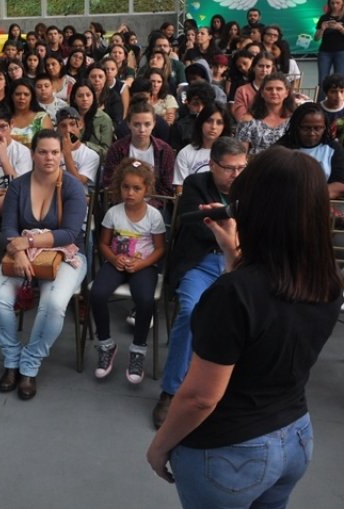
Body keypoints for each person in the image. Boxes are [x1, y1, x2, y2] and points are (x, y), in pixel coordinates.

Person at [146, 147, 342, 509]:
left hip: (230, 452)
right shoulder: (326, 280)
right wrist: (234, 256)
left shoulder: (233, 293)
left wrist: (160, 447)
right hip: (295, 436)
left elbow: (201, 397)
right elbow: (273, 314)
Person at [152, 137, 247, 429]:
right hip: (202, 262)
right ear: (212, 165)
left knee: (248, 319)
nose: (237, 175)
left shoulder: (253, 185)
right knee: (191, 312)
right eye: (230, 169)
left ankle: (231, 393)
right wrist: (230, 228)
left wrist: (220, 220)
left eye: (242, 167)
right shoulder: (196, 183)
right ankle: (171, 390)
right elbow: (194, 223)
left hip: (243, 263)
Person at [0, 129, 88, 400]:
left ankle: (29, 364)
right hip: (22, 253)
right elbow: (8, 226)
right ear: (32, 154)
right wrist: (17, 252)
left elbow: (70, 233)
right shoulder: (18, 186)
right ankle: (11, 359)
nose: (49, 157)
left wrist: (27, 242)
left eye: (55, 152)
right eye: (43, 151)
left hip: (67, 254)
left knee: (54, 305)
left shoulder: (72, 187)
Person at [90, 159, 166, 383]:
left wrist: (141, 264)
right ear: (118, 187)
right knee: (97, 293)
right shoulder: (114, 213)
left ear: (146, 190)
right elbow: (103, 244)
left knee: (144, 299)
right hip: (117, 263)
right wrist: (114, 259)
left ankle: (138, 350)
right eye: (125, 187)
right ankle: (106, 346)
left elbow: (160, 248)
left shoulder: (153, 215)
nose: (130, 193)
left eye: (136, 188)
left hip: (143, 266)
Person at [101, 102, 175, 199]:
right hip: (123, 202)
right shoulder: (116, 149)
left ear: (154, 124)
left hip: (154, 205)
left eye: (147, 124)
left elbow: (167, 188)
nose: (142, 129)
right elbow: (110, 183)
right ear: (129, 124)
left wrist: (147, 206)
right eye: (136, 124)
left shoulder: (165, 150)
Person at [275, 102, 344, 198]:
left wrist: (308, 196)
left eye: (317, 128)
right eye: (306, 128)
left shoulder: (334, 148)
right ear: (296, 127)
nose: (312, 133)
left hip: (320, 201)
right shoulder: (282, 147)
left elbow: (340, 185)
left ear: (325, 127)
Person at [173, 103, 229, 194]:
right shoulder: (185, 153)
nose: (213, 127)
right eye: (209, 121)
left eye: (219, 123)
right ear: (201, 123)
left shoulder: (230, 153)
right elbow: (180, 189)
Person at [236, 73, 294, 156]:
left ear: (286, 93)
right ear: (262, 93)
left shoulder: (294, 120)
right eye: (269, 89)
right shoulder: (248, 121)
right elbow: (240, 154)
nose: (274, 92)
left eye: (279, 89)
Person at [56, 106, 100, 188]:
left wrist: (67, 153)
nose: (68, 130)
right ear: (57, 129)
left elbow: (77, 183)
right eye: (63, 126)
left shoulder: (91, 155)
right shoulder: (51, 152)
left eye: (72, 124)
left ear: (80, 125)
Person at [9, 80, 52, 148]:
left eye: (26, 94)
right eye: (18, 94)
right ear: (11, 96)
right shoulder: (4, 117)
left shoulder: (41, 117)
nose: (22, 97)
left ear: (32, 97)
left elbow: (50, 144)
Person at [315, 0, 344, 88]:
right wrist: (322, 28)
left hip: (341, 51)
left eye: (337, 3)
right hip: (325, 51)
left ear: (342, 3)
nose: (335, 5)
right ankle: (321, 102)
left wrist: (340, 28)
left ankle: (340, 102)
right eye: (332, 3)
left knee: (340, 79)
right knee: (323, 79)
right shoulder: (324, 17)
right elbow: (316, 38)